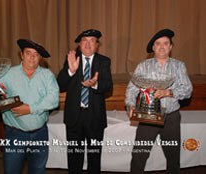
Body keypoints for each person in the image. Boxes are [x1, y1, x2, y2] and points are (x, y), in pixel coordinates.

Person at [0, 39, 59, 174]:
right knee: (12, 170)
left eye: (36, 54)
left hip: (40, 133)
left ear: (40, 57)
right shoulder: (7, 74)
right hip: (15, 134)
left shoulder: (47, 75)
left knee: (38, 170)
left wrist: (30, 109)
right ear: (21, 55)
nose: (33, 57)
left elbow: (53, 100)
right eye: (28, 53)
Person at [125, 29, 193, 173]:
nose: (162, 47)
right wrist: (130, 105)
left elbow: (188, 90)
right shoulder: (143, 66)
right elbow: (132, 89)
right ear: (153, 48)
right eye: (158, 44)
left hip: (171, 118)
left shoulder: (179, 66)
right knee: (139, 155)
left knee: (173, 157)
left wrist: (169, 92)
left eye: (165, 43)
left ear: (170, 47)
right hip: (148, 116)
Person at [57, 29, 113, 174]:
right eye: (84, 41)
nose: (88, 44)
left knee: (94, 157)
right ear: (79, 44)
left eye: (92, 41)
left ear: (97, 45)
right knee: (74, 157)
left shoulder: (104, 61)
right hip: (74, 117)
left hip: (95, 117)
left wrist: (94, 84)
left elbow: (108, 87)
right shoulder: (72, 60)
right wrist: (71, 71)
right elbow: (60, 85)